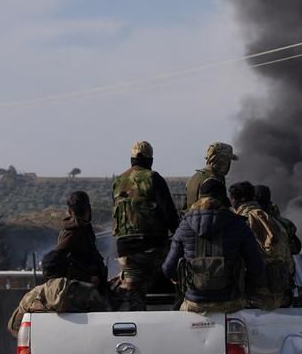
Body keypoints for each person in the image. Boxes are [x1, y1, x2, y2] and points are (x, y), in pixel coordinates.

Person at [9, 191, 108, 337]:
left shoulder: (83, 230)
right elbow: (51, 262)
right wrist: (86, 279)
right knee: (16, 323)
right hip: (73, 288)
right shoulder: (74, 232)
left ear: (68, 210)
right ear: (88, 210)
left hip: (83, 289)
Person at [163, 178, 265, 314]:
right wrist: (243, 288)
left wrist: (183, 281)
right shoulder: (238, 225)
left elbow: (168, 269)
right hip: (231, 303)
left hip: (194, 303)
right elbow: (257, 268)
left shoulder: (185, 225)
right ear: (223, 199)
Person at [110, 140, 182, 310]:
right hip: (153, 249)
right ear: (150, 160)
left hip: (124, 252)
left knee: (134, 293)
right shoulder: (153, 178)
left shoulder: (118, 182)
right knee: (183, 261)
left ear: (131, 160)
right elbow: (170, 216)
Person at [230, 181, 291, 310]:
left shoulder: (238, 224)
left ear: (238, 200)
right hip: (278, 297)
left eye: (232, 199)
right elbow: (288, 264)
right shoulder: (275, 222)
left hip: (250, 298)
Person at [185, 142, 237, 211]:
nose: (228, 164)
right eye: (227, 160)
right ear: (219, 159)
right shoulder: (213, 181)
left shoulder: (194, 177)